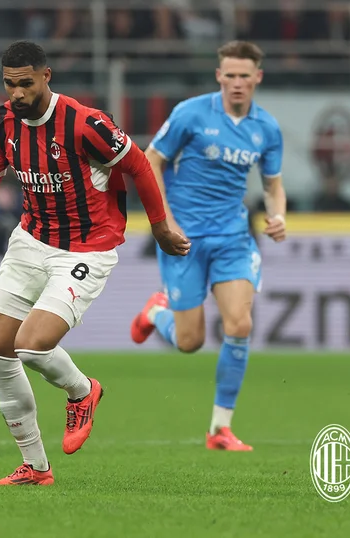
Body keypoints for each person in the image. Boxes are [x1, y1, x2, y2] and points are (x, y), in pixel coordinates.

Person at [0, 41, 190, 486]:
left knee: (32, 344)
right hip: (30, 239)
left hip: (86, 247)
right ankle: (37, 469)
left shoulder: (85, 122)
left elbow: (139, 165)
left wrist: (159, 229)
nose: (16, 93)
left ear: (46, 76)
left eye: (25, 83)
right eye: (9, 84)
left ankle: (83, 391)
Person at [130, 41, 287, 451]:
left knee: (240, 324)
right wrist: (165, 220)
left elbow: (272, 185)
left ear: (258, 78)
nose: (237, 83)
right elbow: (151, 161)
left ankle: (219, 429)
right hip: (183, 239)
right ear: (219, 76)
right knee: (189, 342)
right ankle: (156, 310)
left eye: (244, 76)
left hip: (233, 238)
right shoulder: (191, 113)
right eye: (229, 75)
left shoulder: (266, 128)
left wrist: (278, 214)